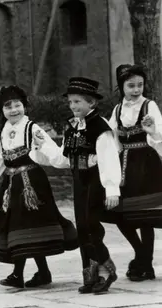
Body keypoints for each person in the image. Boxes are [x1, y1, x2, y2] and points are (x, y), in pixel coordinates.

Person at [0, 85, 78, 289]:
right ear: (2, 110)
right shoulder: (1, 135)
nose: (13, 110)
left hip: (32, 186)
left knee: (29, 226)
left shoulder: (32, 129)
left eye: (17, 105)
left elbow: (51, 153)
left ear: (24, 106)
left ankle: (22, 274)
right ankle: (38, 273)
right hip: (11, 186)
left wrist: (59, 154)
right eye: (8, 106)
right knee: (18, 228)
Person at [35, 77, 122, 294]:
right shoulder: (72, 127)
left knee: (92, 225)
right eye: (70, 102)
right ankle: (91, 275)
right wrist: (43, 146)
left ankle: (107, 270)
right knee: (83, 227)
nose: (73, 106)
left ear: (91, 103)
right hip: (79, 179)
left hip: (95, 179)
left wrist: (112, 188)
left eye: (78, 102)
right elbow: (63, 159)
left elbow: (108, 159)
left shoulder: (100, 127)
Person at [104, 64, 162, 281]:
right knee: (122, 214)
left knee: (145, 216)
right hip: (125, 167)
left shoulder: (149, 105)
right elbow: (111, 137)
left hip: (147, 165)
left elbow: (160, 134)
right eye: (131, 85)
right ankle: (141, 256)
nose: (136, 89)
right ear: (122, 86)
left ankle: (146, 266)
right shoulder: (117, 109)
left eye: (140, 85)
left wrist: (152, 131)